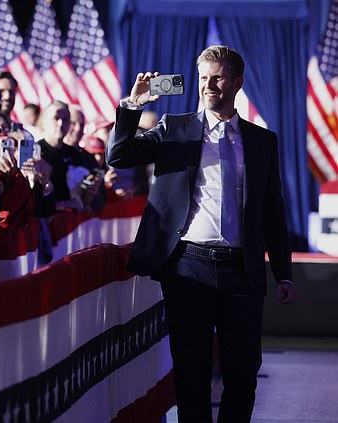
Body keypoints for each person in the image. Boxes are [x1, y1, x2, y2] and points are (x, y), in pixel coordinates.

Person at [106, 45, 299, 423]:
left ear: (237, 82)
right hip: (187, 268)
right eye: (203, 78)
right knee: (191, 374)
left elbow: (273, 214)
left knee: (242, 373)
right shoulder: (173, 128)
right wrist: (132, 106)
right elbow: (120, 156)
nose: (209, 85)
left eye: (218, 77)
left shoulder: (262, 141)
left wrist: (285, 272)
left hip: (242, 271)